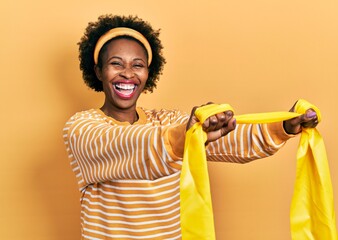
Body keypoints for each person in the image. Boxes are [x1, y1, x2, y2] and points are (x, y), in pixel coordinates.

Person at [63, 14, 318, 240]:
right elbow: (124, 146)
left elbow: (231, 141)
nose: (128, 73)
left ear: (148, 74)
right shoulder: (81, 127)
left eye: (137, 65)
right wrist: (183, 137)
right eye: (116, 63)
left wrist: (283, 126)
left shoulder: (167, 121)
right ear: (98, 71)